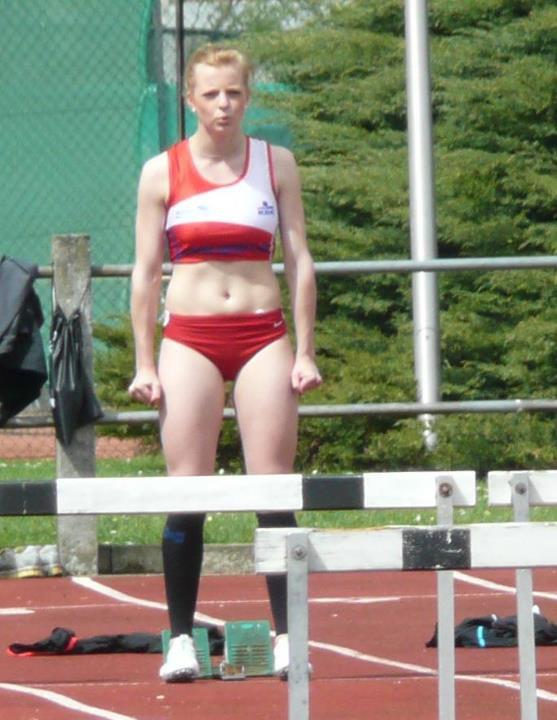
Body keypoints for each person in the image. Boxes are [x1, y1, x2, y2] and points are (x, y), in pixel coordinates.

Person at [128, 44, 321, 683]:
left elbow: (299, 260)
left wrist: (305, 351)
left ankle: (288, 635)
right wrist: (145, 362)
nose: (223, 105)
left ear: (248, 96)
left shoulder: (276, 163)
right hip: (190, 339)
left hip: (263, 335)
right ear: (190, 99)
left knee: (273, 490)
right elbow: (146, 273)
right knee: (188, 492)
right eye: (211, 94)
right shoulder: (161, 172)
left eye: (234, 93)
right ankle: (182, 639)